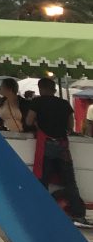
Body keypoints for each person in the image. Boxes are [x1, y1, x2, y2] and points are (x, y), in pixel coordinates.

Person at [25, 78, 89, 228]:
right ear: (54, 89)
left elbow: (28, 121)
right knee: (69, 181)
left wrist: (37, 124)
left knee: (43, 179)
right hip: (62, 145)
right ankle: (79, 214)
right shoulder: (64, 104)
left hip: (45, 144)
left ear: (41, 88)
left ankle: (42, 211)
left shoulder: (37, 102)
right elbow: (70, 126)